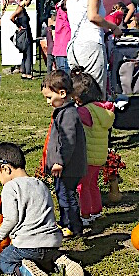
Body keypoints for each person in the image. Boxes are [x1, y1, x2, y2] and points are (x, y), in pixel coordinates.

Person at [0, 142, 84, 276]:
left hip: (26, 246)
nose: (1, 182)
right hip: (51, 244)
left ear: (6, 169)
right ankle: (58, 262)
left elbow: (11, 220)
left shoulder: (11, 187)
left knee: (2, 260)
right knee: (43, 259)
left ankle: (23, 270)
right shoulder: (40, 184)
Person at [40, 70, 87, 237]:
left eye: (49, 97)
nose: (47, 102)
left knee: (67, 196)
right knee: (63, 195)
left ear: (62, 93)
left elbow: (68, 142)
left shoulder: (68, 115)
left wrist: (59, 161)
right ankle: (66, 222)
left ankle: (73, 225)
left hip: (69, 167)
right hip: (64, 167)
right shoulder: (63, 111)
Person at [65, 0, 121, 91]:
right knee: (96, 90)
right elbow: (93, 16)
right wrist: (113, 27)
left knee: (78, 91)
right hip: (91, 45)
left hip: (73, 47)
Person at [71, 69, 114, 224]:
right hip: (100, 154)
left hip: (88, 155)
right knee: (93, 184)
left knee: (83, 187)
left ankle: (85, 215)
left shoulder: (84, 112)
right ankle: (96, 210)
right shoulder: (102, 109)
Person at [9, 0, 34, 79]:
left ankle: (24, 72)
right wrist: (19, 26)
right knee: (28, 53)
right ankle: (28, 74)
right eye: (29, 1)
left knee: (25, 54)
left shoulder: (21, 8)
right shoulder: (20, 8)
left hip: (26, 33)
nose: (30, 3)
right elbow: (12, 17)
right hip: (25, 34)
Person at [52, 0, 73, 74]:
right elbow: (69, 26)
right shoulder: (66, 5)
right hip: (65, 47)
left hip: (62, 47)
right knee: (66, 78)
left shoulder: (62, 4)